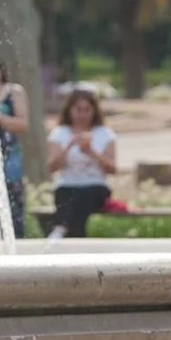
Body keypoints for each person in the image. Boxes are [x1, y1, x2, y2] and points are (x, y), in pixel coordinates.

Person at [46, 89, 117, 239]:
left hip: (95, 185)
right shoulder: (59, 133)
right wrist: (68, 147)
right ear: (70, 110)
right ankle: (71, 234)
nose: (82, 115)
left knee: (84, 196)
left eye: (87, 110)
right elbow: (52, 167)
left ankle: (61, 228)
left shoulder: (105, 134)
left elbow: (112, 169)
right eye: (78, 110)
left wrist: (92, 152)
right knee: (67, 197)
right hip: (67, 184)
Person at [0, 54, 28, 238]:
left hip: (8, 154)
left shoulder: (13, 91)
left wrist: (0, 118)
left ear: (1, 72)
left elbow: (23, 124)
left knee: (12, 201)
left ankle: (15, 238)